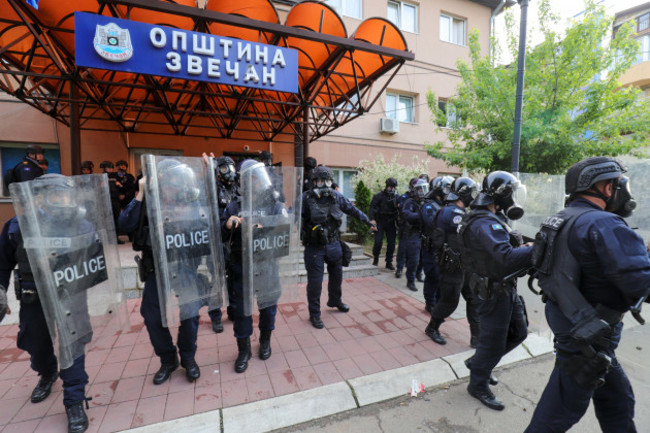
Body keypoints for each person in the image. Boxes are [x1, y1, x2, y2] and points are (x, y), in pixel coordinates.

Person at [524, 157, 650, 432]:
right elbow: (641, 285)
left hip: (575, 327)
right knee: (556, 415)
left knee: (617, 400)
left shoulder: (560, 218)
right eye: (620, 185)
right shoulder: (605, 224)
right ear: (606, 188)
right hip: (589, 338)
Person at [0, 174, 100, 433]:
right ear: (40, 197)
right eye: (56, 195)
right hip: (35, 298)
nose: (63, 201)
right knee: (34, 341)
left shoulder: (83, 226)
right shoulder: (17, 227)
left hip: (71, 297)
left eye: (66, 195)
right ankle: (46, 372)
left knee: (73, 345)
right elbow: (2, 262)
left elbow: (96, 261)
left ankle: (74, 400)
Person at [119, 161, 202, 385]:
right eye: (166, 179)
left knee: (190, 312)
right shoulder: (147, 201)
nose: (171, 185)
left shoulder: (189, 199)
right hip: (156, 266)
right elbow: (124, 223)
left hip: (184, 264)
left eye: (175, 180)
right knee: (152, 314)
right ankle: (168, 359)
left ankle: (188, 357)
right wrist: (141, 193)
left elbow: (206, 221)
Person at [458, 170, 531, 411]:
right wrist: (536, 246)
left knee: (519, 332)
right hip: (493, 291)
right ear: (504, 194)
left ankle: (479, 363)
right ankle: (477, 385)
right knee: (493, 343)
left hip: (503, 287)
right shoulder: (483, 222)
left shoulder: (491, 217)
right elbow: (506, 257)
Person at [221, 159, 287, 372]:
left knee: (268, 308)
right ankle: (244, 349)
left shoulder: (275, 205)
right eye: (251, 179)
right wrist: (229, 223)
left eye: (258, 178)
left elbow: (286, 231)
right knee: (241, 311)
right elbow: (220, 234)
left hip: (267, 266)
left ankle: (265, 340)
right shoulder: (234, 206)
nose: (256, 182)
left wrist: (266, 227)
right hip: (242, 267)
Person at [302, 165, 376, 329]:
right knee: (315, 283)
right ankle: (314, 314)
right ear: (314, 181)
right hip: (314, 247)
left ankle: (335, 300)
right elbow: (292, 215)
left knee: (337, 276)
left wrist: (367, 221)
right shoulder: (305, 198)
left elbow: (352, 209)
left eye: (327, 180)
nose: (324, 183)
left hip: (334, 243)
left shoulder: (336, 196)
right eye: (320, 180)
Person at [424, 177, 480, 347]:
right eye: (472, 193)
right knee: (450, 300)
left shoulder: (457, 212)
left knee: (473, 297)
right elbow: (469, 233)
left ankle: (477, 336)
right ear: (463, 194)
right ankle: (432, 327)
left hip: (464, 264)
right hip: (452, 266)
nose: (474, 196)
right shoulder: (451, 212)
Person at [400, 178, 429, 291]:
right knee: (414, 259)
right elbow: (406, 214)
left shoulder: (425, 201)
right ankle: (410, 280)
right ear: (415, 190)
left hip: (423, 233)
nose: (422, 192)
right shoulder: (409, 202)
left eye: (424, 189)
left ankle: (418, 274)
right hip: (413, 233)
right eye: (420, 189)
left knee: (422, 257)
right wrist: (420, 215)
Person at [369, 178, 399, 270]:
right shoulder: (379, 196)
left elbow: (401, 208)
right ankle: (376, 259)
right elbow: (372, 208)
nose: (392, 189)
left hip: (391, 222)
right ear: (387, 186)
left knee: (391, 243)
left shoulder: (396, 197)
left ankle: (389, 262)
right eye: (390, 187)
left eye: (394, 187)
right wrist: (372, 220)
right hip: (380, 221)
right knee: (378, 242)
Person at [394, 177, 418, 279]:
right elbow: (403, 211)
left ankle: (412, 270)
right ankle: (399, 268)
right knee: (402, 249)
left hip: (415, 228)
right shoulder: (405, 197)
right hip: (405, 227)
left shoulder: (421, 198)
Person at [100, 161, 124, 243]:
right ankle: (107, 238)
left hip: (115, 200)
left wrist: (119, 186)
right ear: (104, 168)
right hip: (106, 200)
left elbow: (121, 185)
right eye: (108, 168)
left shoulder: (115, 176)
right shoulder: (101, 176)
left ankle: (116, 237)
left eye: (111, 168)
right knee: (106, 219)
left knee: (116, 219)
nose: (110, 169)